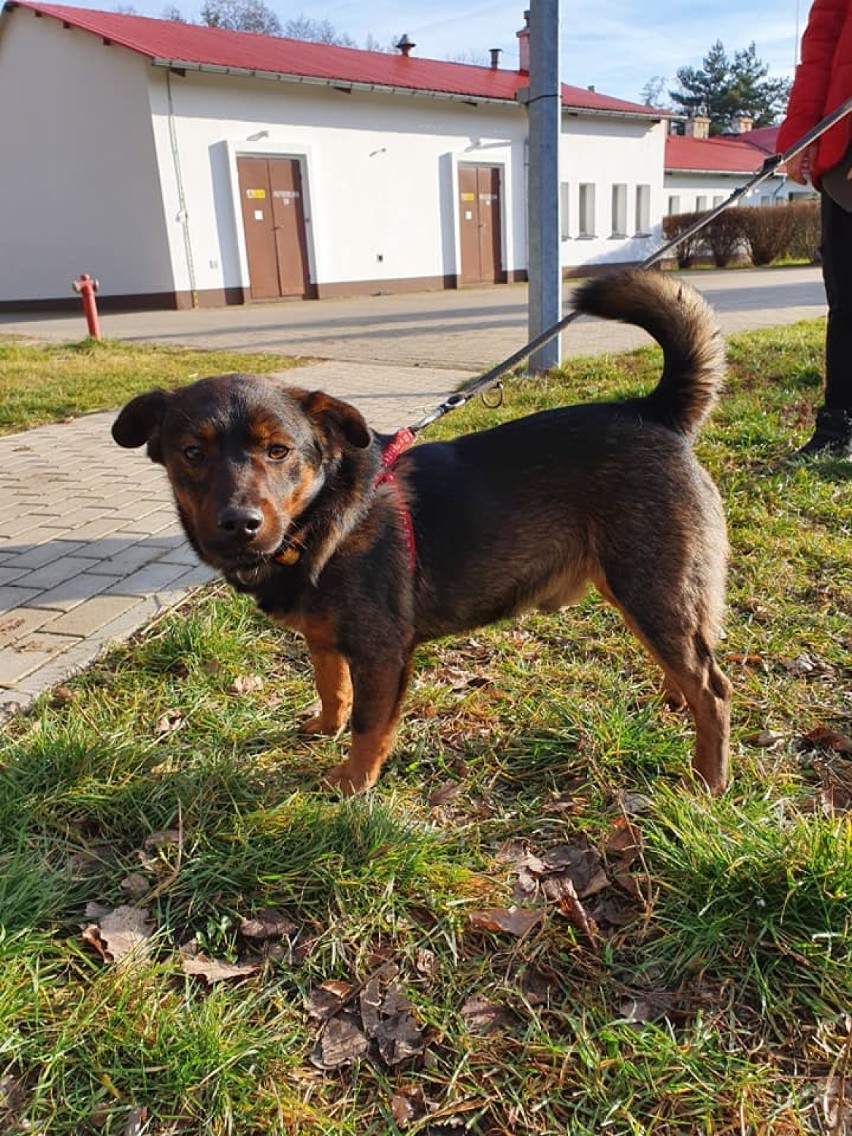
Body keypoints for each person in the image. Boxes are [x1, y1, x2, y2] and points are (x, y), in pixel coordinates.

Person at [776, 0, 852, 459]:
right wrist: (801, 131)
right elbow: (821, 45)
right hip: (846, 146)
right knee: (846, 298)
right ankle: (840, 427)